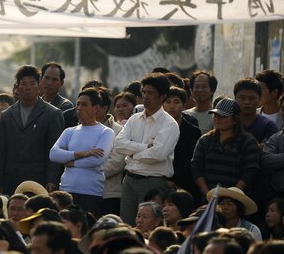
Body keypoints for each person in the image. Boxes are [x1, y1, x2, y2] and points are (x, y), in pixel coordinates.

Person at [114, 73, 179, 225]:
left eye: (150, 93)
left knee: (149, 227)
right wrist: (143, 148)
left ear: (162, 96)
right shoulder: (134, 119)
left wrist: (131, 155)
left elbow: (158, 154)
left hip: (153, 183)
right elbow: (118, 144)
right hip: (129, 179)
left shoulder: (169, 124)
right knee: (126, 227)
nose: (145, 96)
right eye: (143, 92)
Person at [0, 65, 66, 195]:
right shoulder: (7, 115)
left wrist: (52, 179)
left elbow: (55, 149)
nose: (28, 88)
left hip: (39, 179)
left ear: (39, 86)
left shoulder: (52, 114)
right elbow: (1, 151)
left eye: (32, 83)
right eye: (23, 84)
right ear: (17, 87)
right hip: (11, 179)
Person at [49, 88, 116, 218]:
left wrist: (71, 162)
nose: (79, 108)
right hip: (66, 190)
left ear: (95, 108)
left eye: (84, 104)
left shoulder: (106, 132)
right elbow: (53, 154)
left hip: (90, 192)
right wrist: (81, 154)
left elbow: (97, 160)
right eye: (78, 104)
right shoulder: (70, 131)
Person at [191, 99, 260, 199]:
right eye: (215, 115)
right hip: (208, 198)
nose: (217, 119)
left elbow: (250, 171)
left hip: (236, 200)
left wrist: (233, 194)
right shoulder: (205, 140)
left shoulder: (247, 142)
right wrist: (207, 194)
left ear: (235, 120)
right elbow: (196, 167)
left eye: (222, 116)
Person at [234, 78, 280, 146]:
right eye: (242, 98)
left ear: (260, 99)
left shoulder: (269, 126)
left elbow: (270, 152)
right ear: (235, 98)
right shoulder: (227, 123)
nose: (247, 102)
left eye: (252, 98)